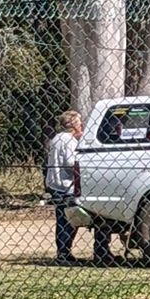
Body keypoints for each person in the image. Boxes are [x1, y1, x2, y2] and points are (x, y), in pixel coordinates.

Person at [45, 110, 112, 264]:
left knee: (64, 219)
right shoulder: (67, 140)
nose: (81, 124)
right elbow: (71, 162)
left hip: (57, 184)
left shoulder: (57, 138)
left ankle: (64, 252)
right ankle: (63, 253)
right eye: (79, 122)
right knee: (67, 220)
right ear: (74, 124)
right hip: (65, 185)